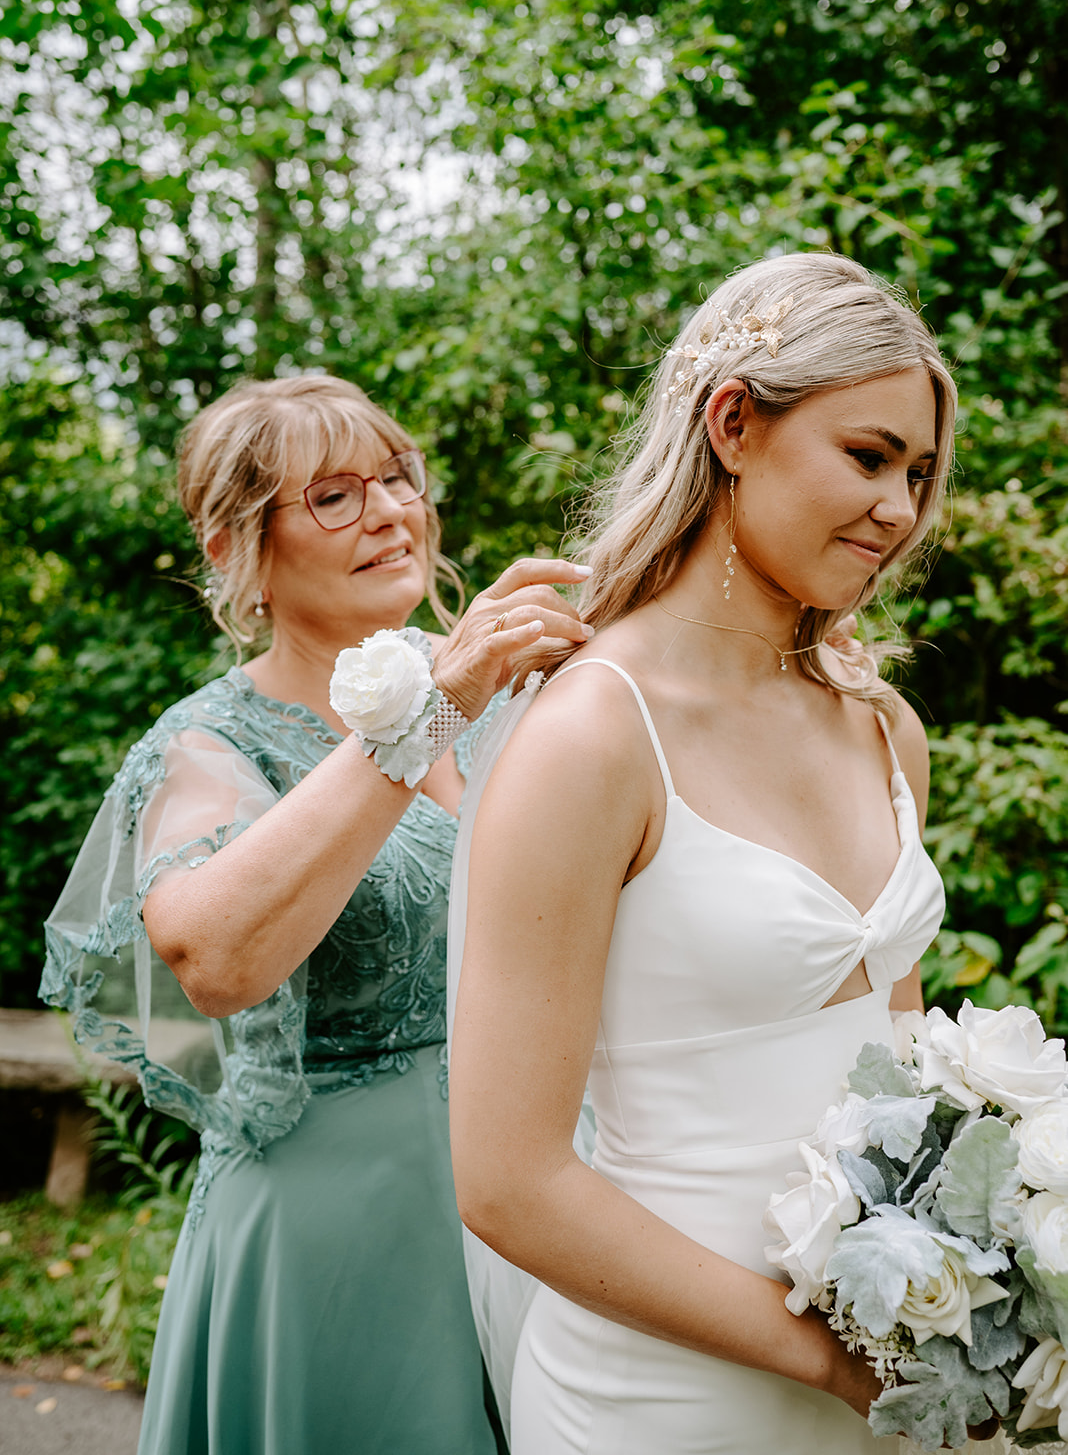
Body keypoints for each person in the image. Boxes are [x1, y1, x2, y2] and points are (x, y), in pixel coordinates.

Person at [447, 252, 958, 1454]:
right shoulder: (592, 735)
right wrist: (824, 1359)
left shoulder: (883, 727)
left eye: (920, 473)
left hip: (890, 1373)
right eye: (869, 456)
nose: (901, 507)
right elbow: (509, 1179)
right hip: (664, 1396)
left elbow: (899, 1077)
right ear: (734, 424)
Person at [40, 373, 593, 1455]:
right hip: (340, 1243)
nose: (390, 510)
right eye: (334, 496)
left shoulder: (505, 700)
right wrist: (426, 714)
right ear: (234, 547)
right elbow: (212, 959)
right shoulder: (209, 747)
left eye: (396, 477)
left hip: (540, 1205)